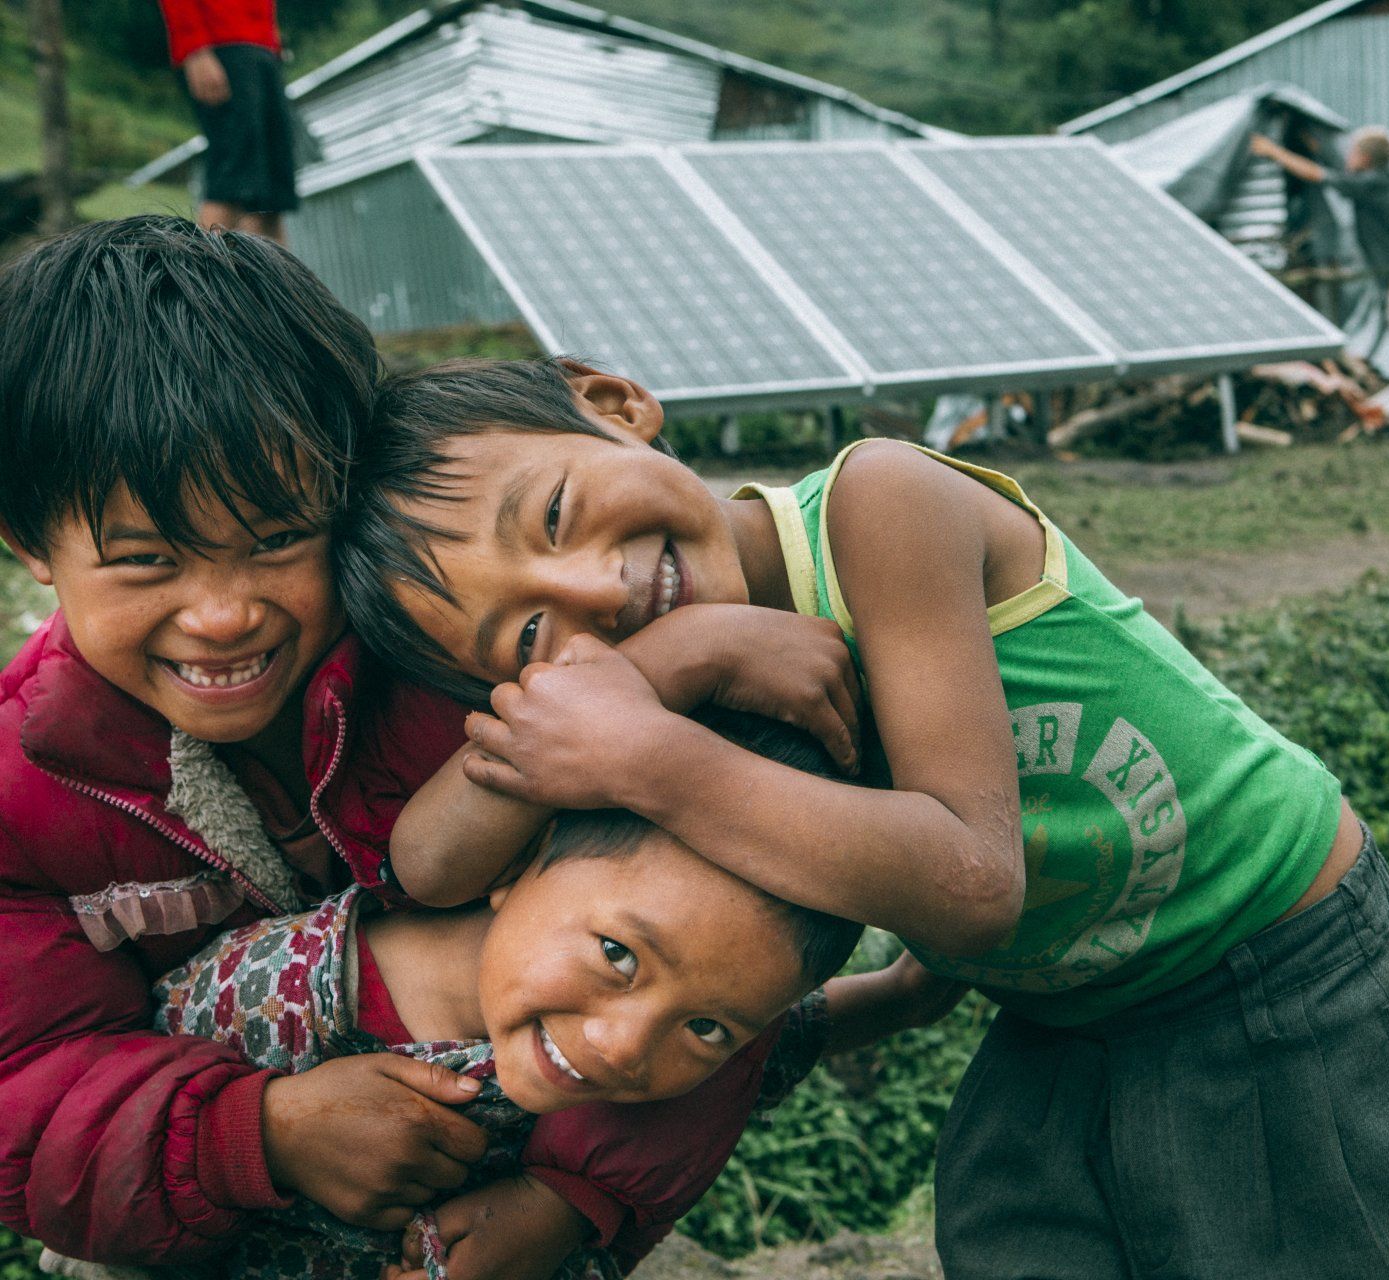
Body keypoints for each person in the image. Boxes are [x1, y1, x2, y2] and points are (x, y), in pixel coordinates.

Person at [333, 357, 1389, 1280]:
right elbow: (430, 864)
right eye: (529, 639)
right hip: (1063, 1003)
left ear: (612, 401)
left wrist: (652, 753)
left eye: (553, 515)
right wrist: (677, 661)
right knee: (1016, 1230)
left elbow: (971, 877)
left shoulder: (880, 504)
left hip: (1274, 953)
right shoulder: (649, 678)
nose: (592, 591)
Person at [0, 218, 864, 1273]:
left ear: (347, 488)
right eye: (144, 560)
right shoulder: (26, 791)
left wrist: (571, 1193)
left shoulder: (473, 658)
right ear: (31, 542)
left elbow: (711, 938)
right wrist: (258, 1133)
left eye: (277, 538)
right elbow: (24, 1088)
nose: (221, 614)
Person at [146, 711, 922, 1279]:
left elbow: (785, 1039)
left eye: (708, 1028)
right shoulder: (269, 993)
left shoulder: (669, 1062)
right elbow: (152, 1155)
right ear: (517, 864)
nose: (625, 1047)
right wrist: (270, 1139)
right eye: (618, 955)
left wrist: (912, 991)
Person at [1250, 124, 1389, 386]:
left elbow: (1319, 175)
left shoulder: (1372, 183)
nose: (1346, 157)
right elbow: (1336, 167)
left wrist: (1274, 151)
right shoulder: (1373, 179)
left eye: (1351, 153)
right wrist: (1313, 144)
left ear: (1364, 158)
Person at [156, 0, 299, 243]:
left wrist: (271, 37)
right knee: (233, 176)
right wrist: (194, 48)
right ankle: (197, 275)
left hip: (263, 45)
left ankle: (277, 280)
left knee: (273, 188)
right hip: (220, 46)